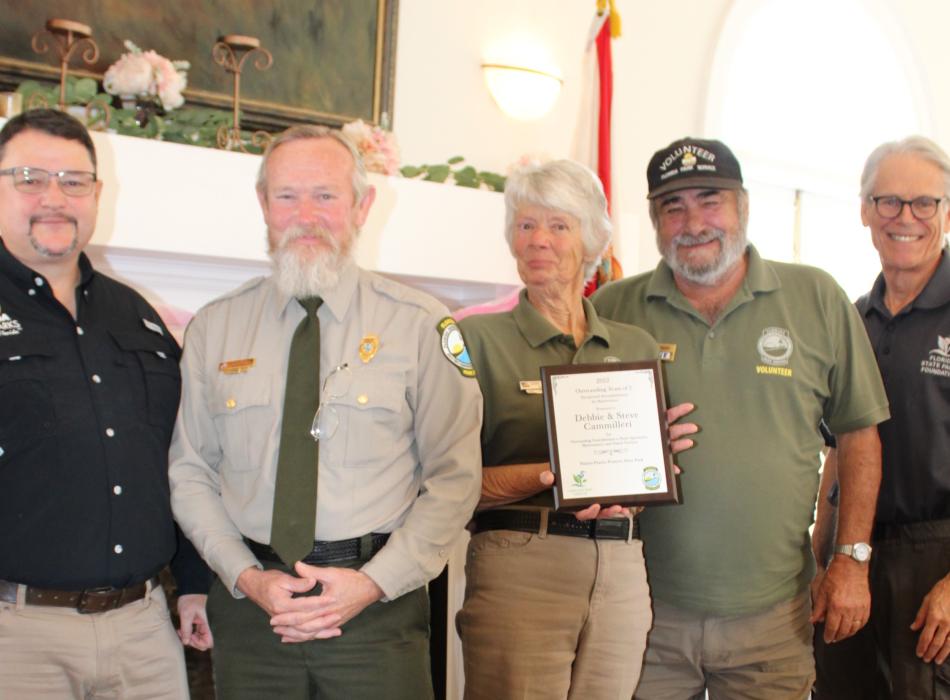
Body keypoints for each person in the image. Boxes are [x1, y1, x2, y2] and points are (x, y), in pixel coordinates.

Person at [168, 124, 482, 699]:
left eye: (326, 196)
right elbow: (190, 473)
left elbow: (455, 478)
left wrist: (371, 584)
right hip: (251, 614)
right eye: (287, 195)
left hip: (374, 615)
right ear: (264, 204)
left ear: (362, 206)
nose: (305, 214)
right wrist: (246, 576)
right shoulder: (214, 328)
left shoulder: (419, 325)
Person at [592, 137, 890, 699]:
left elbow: (859, 435)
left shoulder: (816, 297)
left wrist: (851, 559)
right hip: (642, 611)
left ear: (743, 207)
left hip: (773, 616)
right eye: (673, 207)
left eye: (710, 201)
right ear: (655, 221)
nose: (694, 222)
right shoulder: (612, 308)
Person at [456, 159, 698, 699]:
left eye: (558, 226)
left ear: (589, 239)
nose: (539, 239)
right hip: (522, 562)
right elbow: (451, 481)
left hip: (621, 564)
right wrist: (555, 474)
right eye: (525, 225)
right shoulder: (475, 340)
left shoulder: (634, 346)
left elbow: (632, 477)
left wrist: (646, 470)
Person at [0, 108, 211, 699]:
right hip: (17, 638)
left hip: (143, 630)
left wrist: (194, 583)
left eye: (73, 182)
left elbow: (181, 455)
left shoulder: (136, 314)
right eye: (29, 179)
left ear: (96, 194)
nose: (54, 198)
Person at [813, 136, 950, 699]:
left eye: (925, 203)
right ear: (865, 210)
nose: (906, 218)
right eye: (888, 201)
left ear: (945, 211)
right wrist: (823, 558)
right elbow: (836, 455)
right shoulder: (849, 319)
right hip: (853, 556)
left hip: (937, 558)